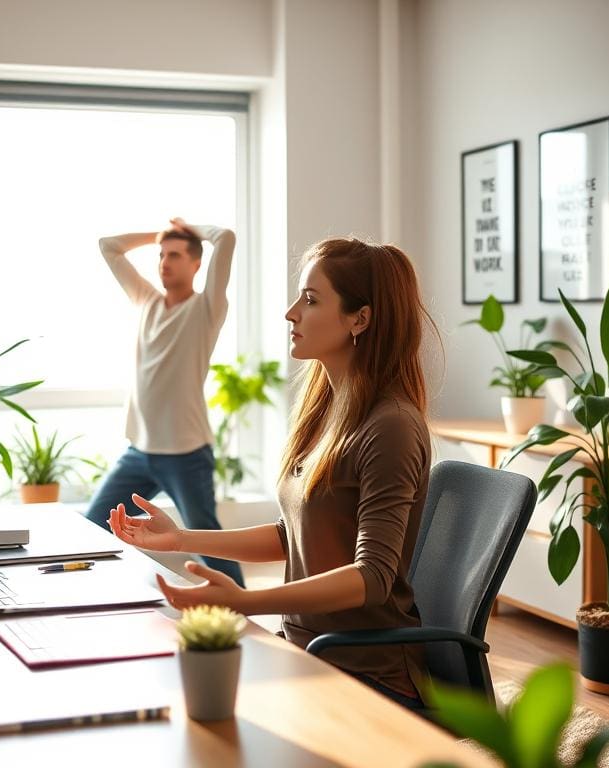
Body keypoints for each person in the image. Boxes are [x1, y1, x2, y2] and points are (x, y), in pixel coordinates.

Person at [108, 237, 436, 710]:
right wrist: (182, 539)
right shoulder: (328, 411)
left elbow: (372, 577)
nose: (291, 313)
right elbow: (294, 535)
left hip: (365, 672)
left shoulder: (391, 428)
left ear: (359, 319)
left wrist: (243, 602)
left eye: (310, 299)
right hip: (309, 650)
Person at [86, 218, 244, 586]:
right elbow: (108, 244)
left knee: (209, 542)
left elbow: (226, 237)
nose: (164, 261)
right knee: (94, 524)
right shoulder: (146, 302)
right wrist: (157, 234)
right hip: (138, 453)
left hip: (187, 455)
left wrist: (189, 228)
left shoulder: (207, 309)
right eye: (161, 255)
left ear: (196, 264)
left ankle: (244, 610)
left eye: (174, 254)